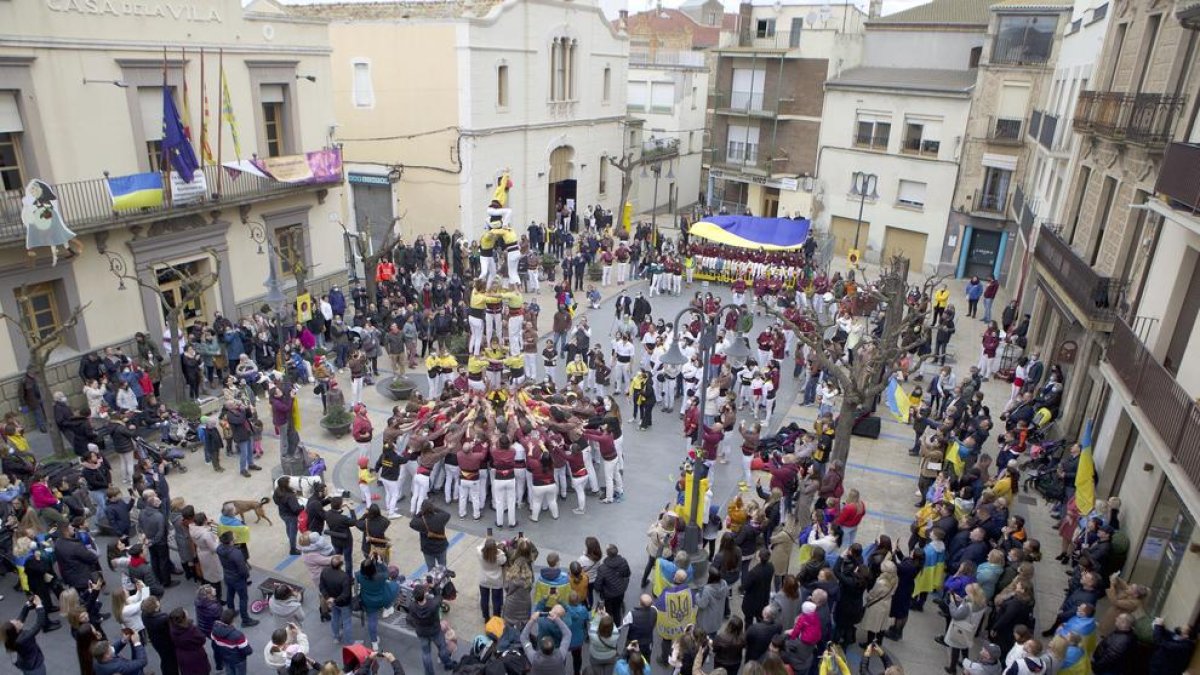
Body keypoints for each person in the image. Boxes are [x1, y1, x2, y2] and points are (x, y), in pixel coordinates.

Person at [410, 583, 455, 675]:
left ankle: (429, 673)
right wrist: (433, 586)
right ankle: (448, 664)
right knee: (442, 648)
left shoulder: (412, 606)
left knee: (426, 653)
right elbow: (439, 596)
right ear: (424, 594)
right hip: (435, 631)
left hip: (422, 632)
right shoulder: (433, 604)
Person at [216, 531, 258, 627]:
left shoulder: (219, 549)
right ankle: (245, 620)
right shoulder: (236, 553)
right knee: (243, 598)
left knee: (230, 594)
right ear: (231, 541)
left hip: (227, 576)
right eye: (233, 537)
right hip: (238, 579)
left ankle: (231, 612)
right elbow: (242, 569)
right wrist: (246, 576)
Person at [356, 558, 397, 652]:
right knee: (395, 586)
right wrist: (381, 563)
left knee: (372, 621)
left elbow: (360, 571)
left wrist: (367, 563)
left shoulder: (359, 576)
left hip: (368, 601)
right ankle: (388, 607)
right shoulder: (380, 577)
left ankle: (374, 642)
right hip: (382, 599)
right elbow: (387, 572)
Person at [4, 596, 47, 675]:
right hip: (35, 666)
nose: (18, 621)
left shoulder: (11, 636)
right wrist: (39, 605)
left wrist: (27, 604)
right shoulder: (23, 639)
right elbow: (39, 624)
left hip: (24, 663)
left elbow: (21, 617)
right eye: (16, 623)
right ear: (16, 630)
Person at [319, 555, 353, 646]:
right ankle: (349, 643)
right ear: (341, 565)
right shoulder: (344, 577)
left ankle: (336, 637)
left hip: (331, 602)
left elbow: (321, 586)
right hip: (343, 603)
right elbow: (346, 594)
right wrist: (334, 600)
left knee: (335, 618)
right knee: (347, 621)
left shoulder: (325, 571)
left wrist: (328, 598)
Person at [167, 608, 211, 675]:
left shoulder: (173, 629)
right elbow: (202, 639)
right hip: (195, 656)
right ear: (184, 618)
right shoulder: (191, 631)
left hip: (182, 656)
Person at [211, 608, 254, 675]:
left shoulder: (214, 630)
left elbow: (215, 645)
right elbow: (248, 651)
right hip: (238, 660)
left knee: (229, 671)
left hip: (225, 657)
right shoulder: (238, 635)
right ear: (232, 620)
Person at [410, 500, 451, 570]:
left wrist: (420, 513)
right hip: (441, 547)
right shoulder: (440, 518)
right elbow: (447, 514)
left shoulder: (420, 522)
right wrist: (435, 508)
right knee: (443, 567)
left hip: (428, 549)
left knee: (431, 568)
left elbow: (412, 523)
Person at [478, 537, 507, 621]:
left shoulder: (480, 553)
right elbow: (504, 560)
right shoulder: (499, 557)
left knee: (484, 599)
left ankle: (486, 617)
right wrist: (500, 548)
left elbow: (480, 545)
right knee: (496, 601)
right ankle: (496, 618)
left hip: (484, 580)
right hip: (496, 581)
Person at [273, 477, 303, 556]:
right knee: (293, 532)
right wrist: (302, 507)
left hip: (282, 513)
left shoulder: (277, 491)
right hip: (291, 516)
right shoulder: (290, 496)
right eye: (289, 482)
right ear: (286, 484)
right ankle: (293, 549)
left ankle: (290, 540)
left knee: (288, 527)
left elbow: (275, 501)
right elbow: (296, 509)